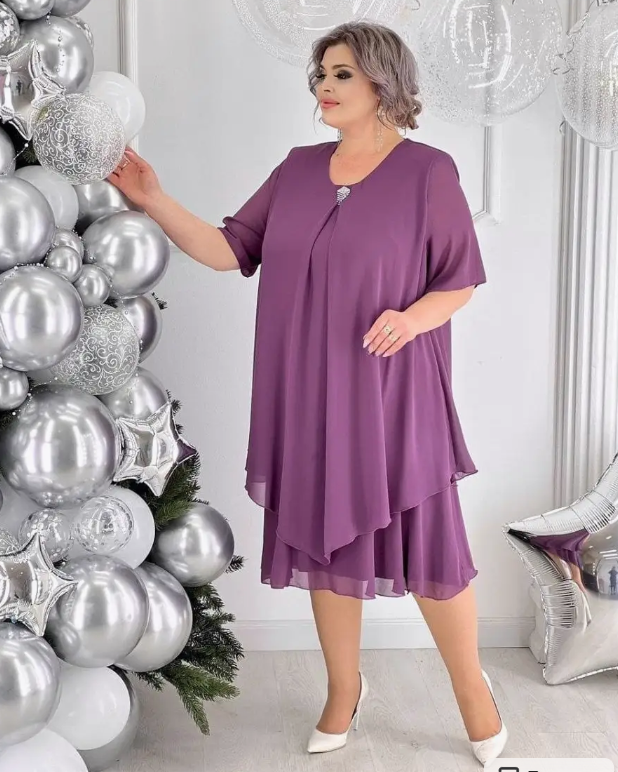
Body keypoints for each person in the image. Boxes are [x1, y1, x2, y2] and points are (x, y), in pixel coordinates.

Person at [108, 21, 507, 766]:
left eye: (342, 73)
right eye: (320, 73)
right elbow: (229, 249)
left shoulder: (429, 172)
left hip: (396, 395)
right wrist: (152, 197)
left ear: (383, 81)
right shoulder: (296, 169)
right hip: (312, 397)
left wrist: (410, 319)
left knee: (431, 548)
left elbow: (459, 279)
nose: (324, 85)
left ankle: (472, 693)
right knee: (329, 542)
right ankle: (343, 690)